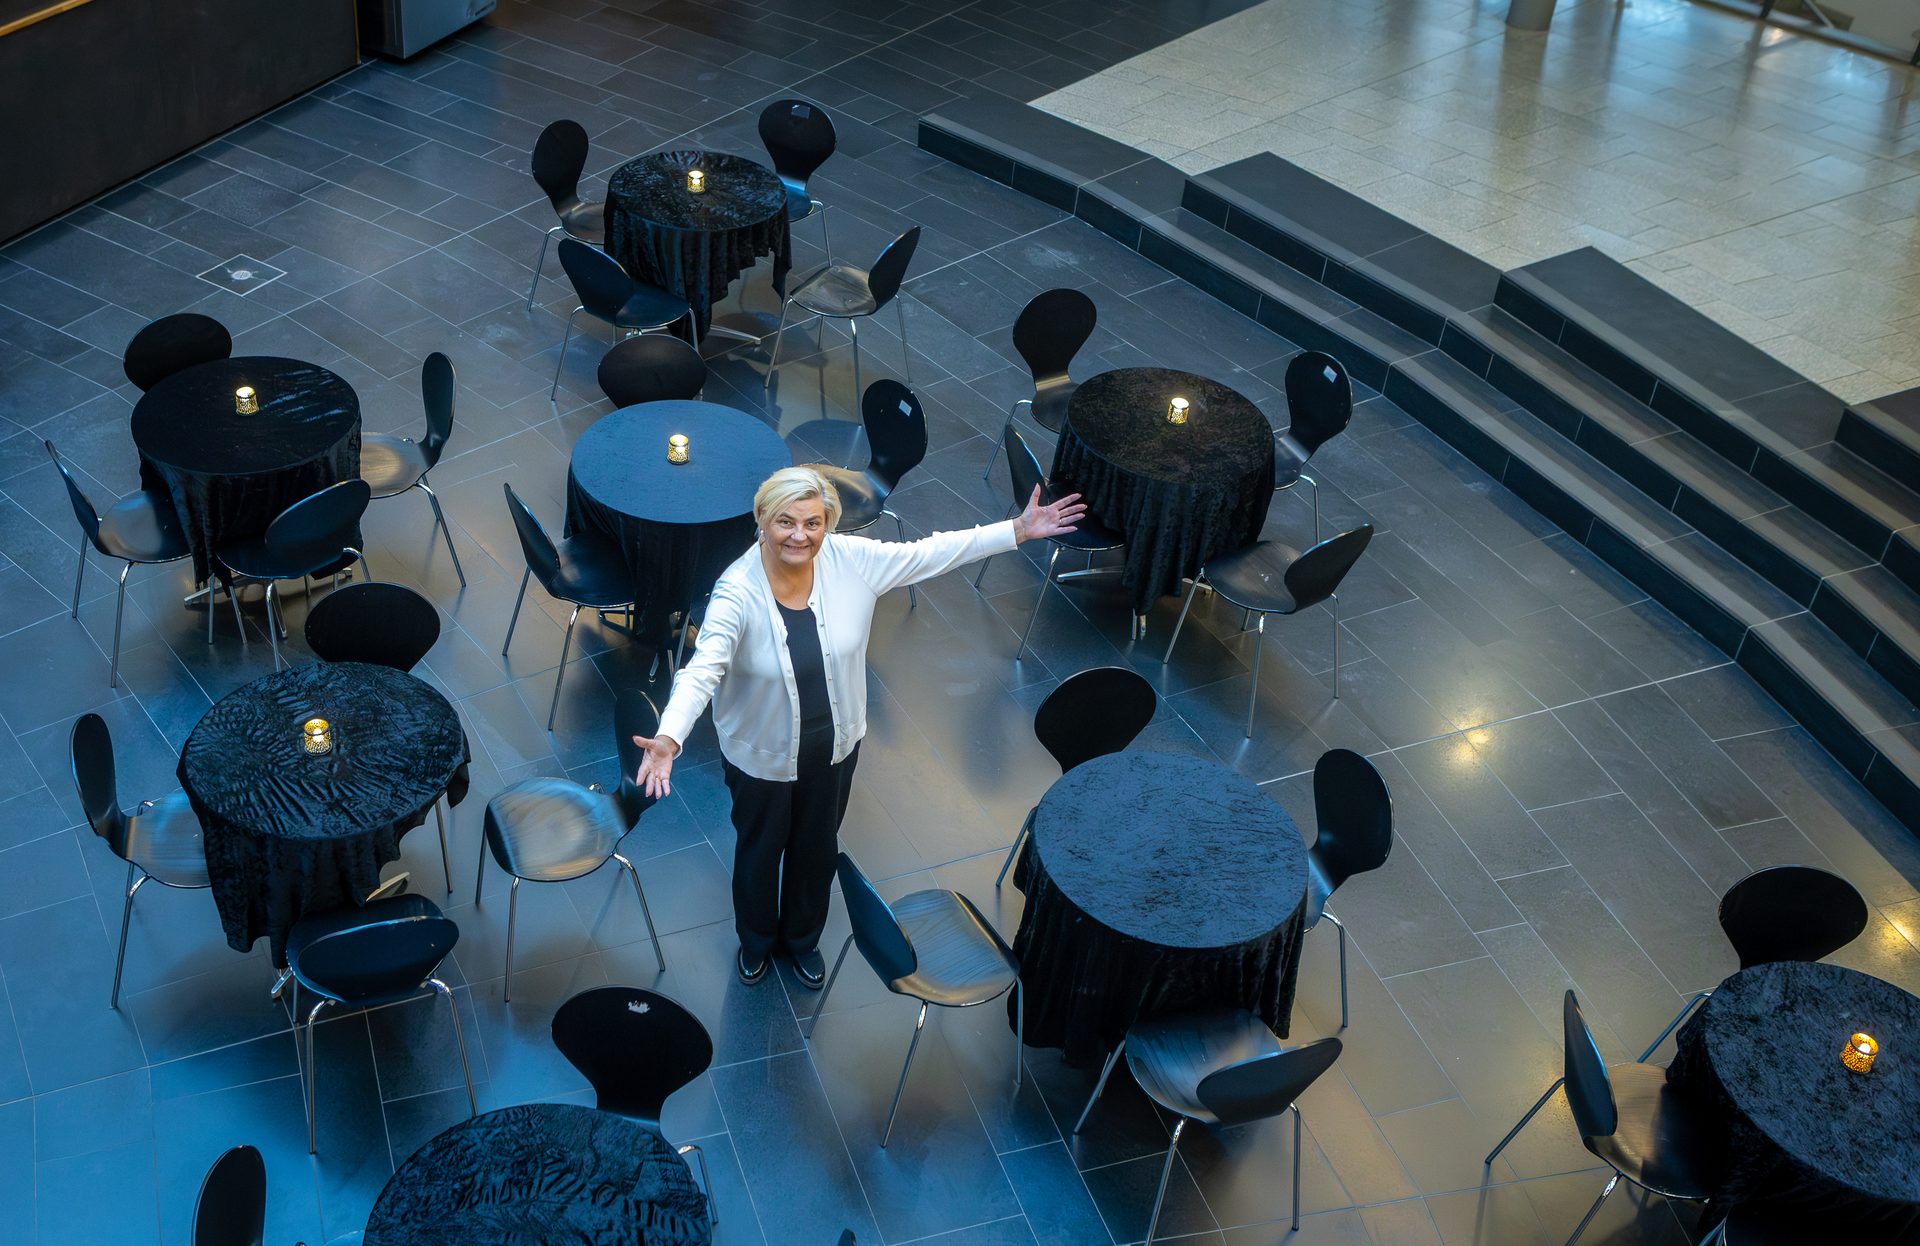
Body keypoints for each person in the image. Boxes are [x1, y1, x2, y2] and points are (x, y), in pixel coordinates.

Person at [630, 465, 1086, 986]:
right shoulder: (737, 590)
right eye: (785, 522)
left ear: (828, 522)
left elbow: (929, 553)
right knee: (758, 855)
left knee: (817, 848)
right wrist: (668, 737)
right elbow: (703, 668)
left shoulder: (852, 561)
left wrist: (1017, 531)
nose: (799, 535)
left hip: (835, 747)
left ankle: (801, 940)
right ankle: (756, 942)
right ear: (761, 520)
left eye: (812, 522)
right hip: (760, 757)